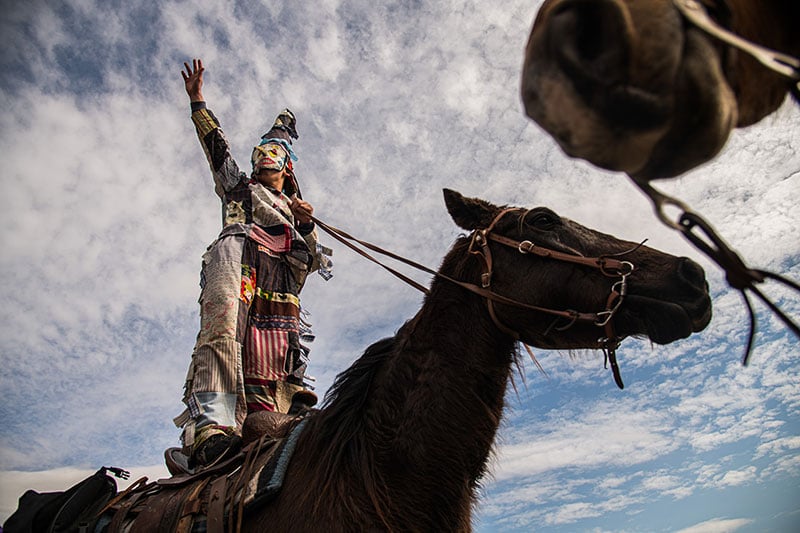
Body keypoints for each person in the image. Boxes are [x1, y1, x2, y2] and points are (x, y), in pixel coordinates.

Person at [173, 59, 332, 468]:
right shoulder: (239, 189)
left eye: (273, 151)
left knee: (274, 349)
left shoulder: (295, 212)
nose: (263, 156)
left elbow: (310, 260)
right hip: (237, 266)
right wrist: (197, 102)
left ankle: (274, 416)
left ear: (287, 166)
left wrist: (307, 222)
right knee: (225, 335)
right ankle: (213, 430)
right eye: (260, 150)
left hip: (277, 285)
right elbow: (217, 150)